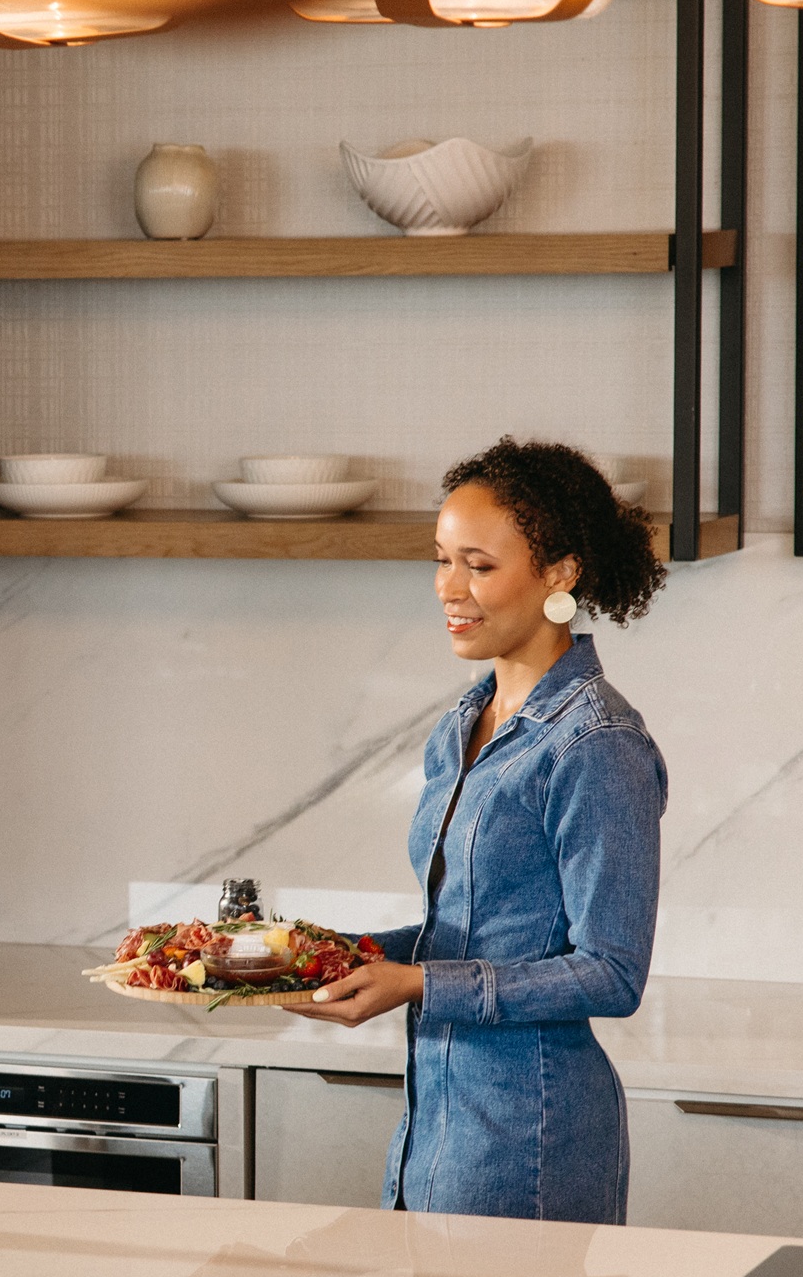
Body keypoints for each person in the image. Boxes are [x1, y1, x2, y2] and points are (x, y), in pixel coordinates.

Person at [281, 438, 667, 1224]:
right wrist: (330, 953)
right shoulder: (468, 721)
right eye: (440, 559)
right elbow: (471, 930)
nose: (449, 588)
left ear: (559, 572)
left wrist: (416, 983)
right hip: (437, 1127)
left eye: (479, 566)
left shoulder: (598, 744)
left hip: (532, 1139)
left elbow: (611, 973)